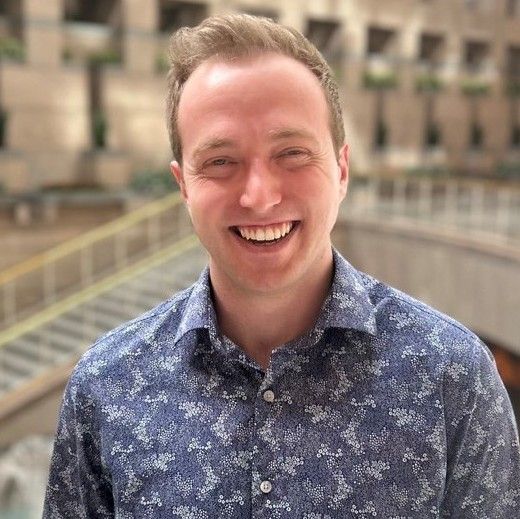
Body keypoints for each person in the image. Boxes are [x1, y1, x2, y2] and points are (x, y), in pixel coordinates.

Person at [43, 14, 520, 518]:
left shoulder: (452, 378)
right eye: (221, 162)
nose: (259, 196)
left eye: (292, 153)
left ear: (341, 169)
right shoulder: (106, 386)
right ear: (183, 185)